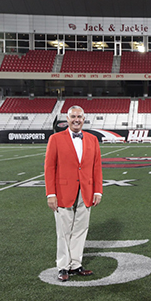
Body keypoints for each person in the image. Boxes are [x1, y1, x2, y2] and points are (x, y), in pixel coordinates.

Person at [45, 105, 103, 282]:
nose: (76, 119)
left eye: (79, 116)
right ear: (67, 119)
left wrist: (98, 190)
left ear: (84, 119)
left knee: (80, 229)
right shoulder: (55, 139)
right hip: (63, 192)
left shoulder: (92, 139)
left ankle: (76, 264)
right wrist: (50, 194)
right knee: (63, 231)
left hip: (86, 191)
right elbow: (49, 167)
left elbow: (97, 167)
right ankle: (63, 266)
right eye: (73, 116)